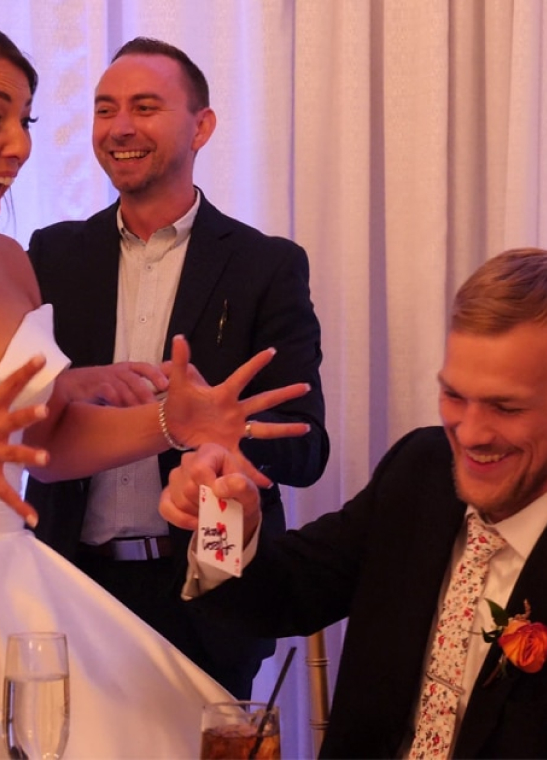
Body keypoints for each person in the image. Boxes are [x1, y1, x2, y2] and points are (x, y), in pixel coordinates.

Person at [0, 9, 310, 759]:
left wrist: (171, 423)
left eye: (24, 120)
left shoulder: (5, 261)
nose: (20, 146)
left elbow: (46, 435)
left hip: (25, 599)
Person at [25, 36, 328, 699]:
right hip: (66, 583)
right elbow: (21, 420)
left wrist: (223, 433)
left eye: (144, 106)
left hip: (206, 585)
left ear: (202, 125)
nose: (120, 127)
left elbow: (307, 449)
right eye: (105, 110)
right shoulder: (51, 255)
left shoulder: (264, 265)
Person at [160, 247, 547, 758]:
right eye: (454, 396)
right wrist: (225, 521)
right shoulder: (421, 469)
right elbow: (282, 596)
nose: (470, 433)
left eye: (505, 407)